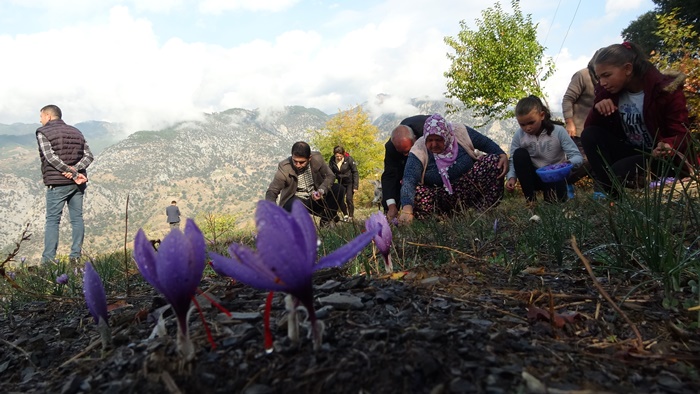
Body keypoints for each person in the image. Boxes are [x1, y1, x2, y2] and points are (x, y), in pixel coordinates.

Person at [581, 42, 690, 198]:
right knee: (590, 135)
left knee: (620, 171)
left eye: (606, 75)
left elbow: (682, 134)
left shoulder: (665, 91)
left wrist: (668, 144)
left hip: (663, 158)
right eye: (599, 77)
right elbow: (590, 134)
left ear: (628, 69)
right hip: (632, 152)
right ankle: (614, 197)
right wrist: (599, 108)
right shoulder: (608, 92)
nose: (602, 82)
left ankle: (665, 182)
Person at [398, 113, 508, 224]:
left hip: (470, 187)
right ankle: (441, 220)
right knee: (414, 192)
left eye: (438, 139)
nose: (434, 144)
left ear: (446, 135)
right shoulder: (419, 148)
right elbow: (409, 178)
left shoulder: (459, 131)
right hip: (441, 197)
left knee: (494, 161)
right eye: (430, 140)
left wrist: (501, 154)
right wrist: (407, 209)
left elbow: (484, 142)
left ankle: (483, 211)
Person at [36, 105, 94, 263]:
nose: (39, 120)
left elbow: (50, 157)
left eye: (41, 116)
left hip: (58, 183)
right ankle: (75, 256)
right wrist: (75, 170)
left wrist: (70, 171)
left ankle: (48, 260)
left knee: (53, 221)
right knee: (77, 219)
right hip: (78, 183)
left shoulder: (43, 132)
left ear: (48, 116)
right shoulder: (77, 132)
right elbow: (89, 156)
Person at [505, 95, 584, 203]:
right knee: (519, 154)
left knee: (554, 205)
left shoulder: (558, 131)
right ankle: (531, 201)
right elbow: (514, 159)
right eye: (522, 124)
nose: (527, 128)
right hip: (533, 176)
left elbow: (577, 157)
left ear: (542, 115)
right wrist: (511, 177)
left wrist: (566, 164)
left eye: (531, 122)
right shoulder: (519, 135)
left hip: (554, 176)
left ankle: (555, 196)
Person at [266, 141, 345, 226]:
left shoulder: (317, 158)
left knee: (339, 189)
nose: (298, 165)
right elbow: (272, 191)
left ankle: (326, 221)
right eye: (295, 161)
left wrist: (321, 190)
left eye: (301, 162)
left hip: (316, 198)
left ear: (309, 158)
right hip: (296, 201)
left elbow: (330, 176)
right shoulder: (285, 167)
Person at [562, 51, 600, 197]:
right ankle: (564, 182)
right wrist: (569, 122)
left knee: (600, 161)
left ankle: (600, 192)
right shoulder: (582, 76)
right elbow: (568, 99)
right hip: (579, 129)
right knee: (582, 162)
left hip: (597, 130)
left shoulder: (606, 80)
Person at [381, 115, 429, 221]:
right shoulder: (391, 148)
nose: (406, 155)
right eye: (402, 152)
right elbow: (389, 176)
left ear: (415, 140)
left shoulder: (428, 134)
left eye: (408, 151)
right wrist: (391, 205)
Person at [328, 145, 359, 221]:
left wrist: (355, 186)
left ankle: (351, 216)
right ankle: (345, 214)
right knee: (340, 199)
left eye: (340, 156)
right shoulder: (332, 160)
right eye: (337, 156)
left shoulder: (349, 159)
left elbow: (355, 172)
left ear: (343, 154)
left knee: (349, 199)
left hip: (349, 182)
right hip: (340, 182)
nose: (338, 158)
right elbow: (330, 173)